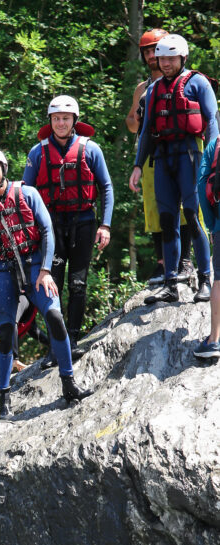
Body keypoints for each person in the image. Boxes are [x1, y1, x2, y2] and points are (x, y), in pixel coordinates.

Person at [0, 146, 93, 418]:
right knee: (5, 334)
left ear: (3, 167)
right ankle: (4, 401)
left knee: (55, 316)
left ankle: (69, 384)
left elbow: (47, 231)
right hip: (1, 273)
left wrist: (46, 270)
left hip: (35, 265)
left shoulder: (27, 193)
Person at [23, 96, 114, 361]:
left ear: (74, 120)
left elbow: (106, 187)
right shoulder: (37, 153)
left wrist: (105, 225)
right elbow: (26, 196)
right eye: (55, 119)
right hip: (51, 229)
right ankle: (56, 344)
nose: (60, 123)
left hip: (84, 223)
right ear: (50, 122)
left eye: (65, 118)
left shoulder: (90, 149)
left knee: (77, 284)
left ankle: (72, 339)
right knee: (53, 284)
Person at [129, 34, 218, 305]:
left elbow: (213, 122)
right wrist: (136, 166)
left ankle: (205, 279)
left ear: (182, 58)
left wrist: (214, 161)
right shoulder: (153, 89)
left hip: (191, 157)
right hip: (163, 159)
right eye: (161, 58)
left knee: (192, 216)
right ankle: (170, 282)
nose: (165, 63)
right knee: (167, 221)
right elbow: (145, 132)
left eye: (170, 58)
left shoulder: (198, 83)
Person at [125, 28, 196, 286]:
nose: (152, 55)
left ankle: (185, 260)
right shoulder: (143, 88)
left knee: (186, 205)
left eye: (155, 49)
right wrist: (138, 118)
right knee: (155, 207)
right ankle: (162, 262)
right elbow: (132, 125)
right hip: (152, 152)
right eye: (147, 51)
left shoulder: (188, 81)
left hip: (183, 150)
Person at [195, 133, 220, 359]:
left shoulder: (215, 145)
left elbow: (202, 184)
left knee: (219, 280)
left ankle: (214, 340)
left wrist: (212, 225)